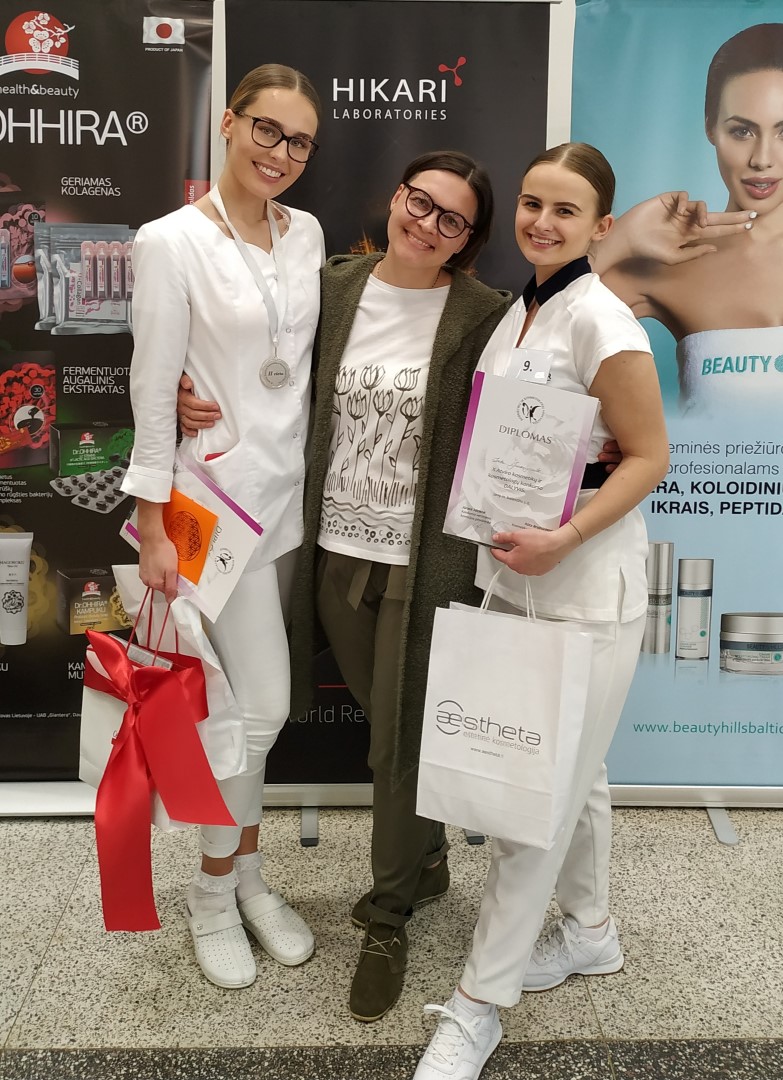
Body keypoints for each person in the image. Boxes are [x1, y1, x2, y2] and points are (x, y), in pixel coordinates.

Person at [177, 150, 626, 1021]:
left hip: (423, 565)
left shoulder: (487, 314)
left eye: (452, 220)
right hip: (327, 551)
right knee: (376, 724)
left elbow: (545, 403)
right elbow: (248, 356)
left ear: (468, 241)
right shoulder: (332, 286)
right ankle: (424, 865)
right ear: (395, 198)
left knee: (399, 749)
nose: (427, 224)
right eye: (420, 203)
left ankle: (387, 917)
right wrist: (183, 392)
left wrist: (597, 445)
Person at [413, 142, 669, 1080]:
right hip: (515, 583)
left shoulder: (602, 321)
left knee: (530, 802)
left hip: (583, 596)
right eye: (530, 203)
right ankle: (590, 931)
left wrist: (564, 537)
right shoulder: (519, 312)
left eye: (565, 210)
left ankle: (479, 1006)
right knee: (574, 775)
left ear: (602, 226)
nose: (541, 222)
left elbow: (650, 456)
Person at [120, 64, 325, 990]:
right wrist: (152, 521)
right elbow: (149, 385)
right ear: (231, 125)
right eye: (267, 131)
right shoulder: (169, 241)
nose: (281, 153)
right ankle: (213, 892)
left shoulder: (305, 234)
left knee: (244, 712)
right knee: (258, 708)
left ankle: (244, 876)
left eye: (300, 141)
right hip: (209, 511)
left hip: (283, 509)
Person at [594, 23, 783, 412]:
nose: (762, 159)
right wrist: (619, 240)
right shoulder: (670, 263)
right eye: (742, 131)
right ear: (710, 127)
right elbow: (536, 352)